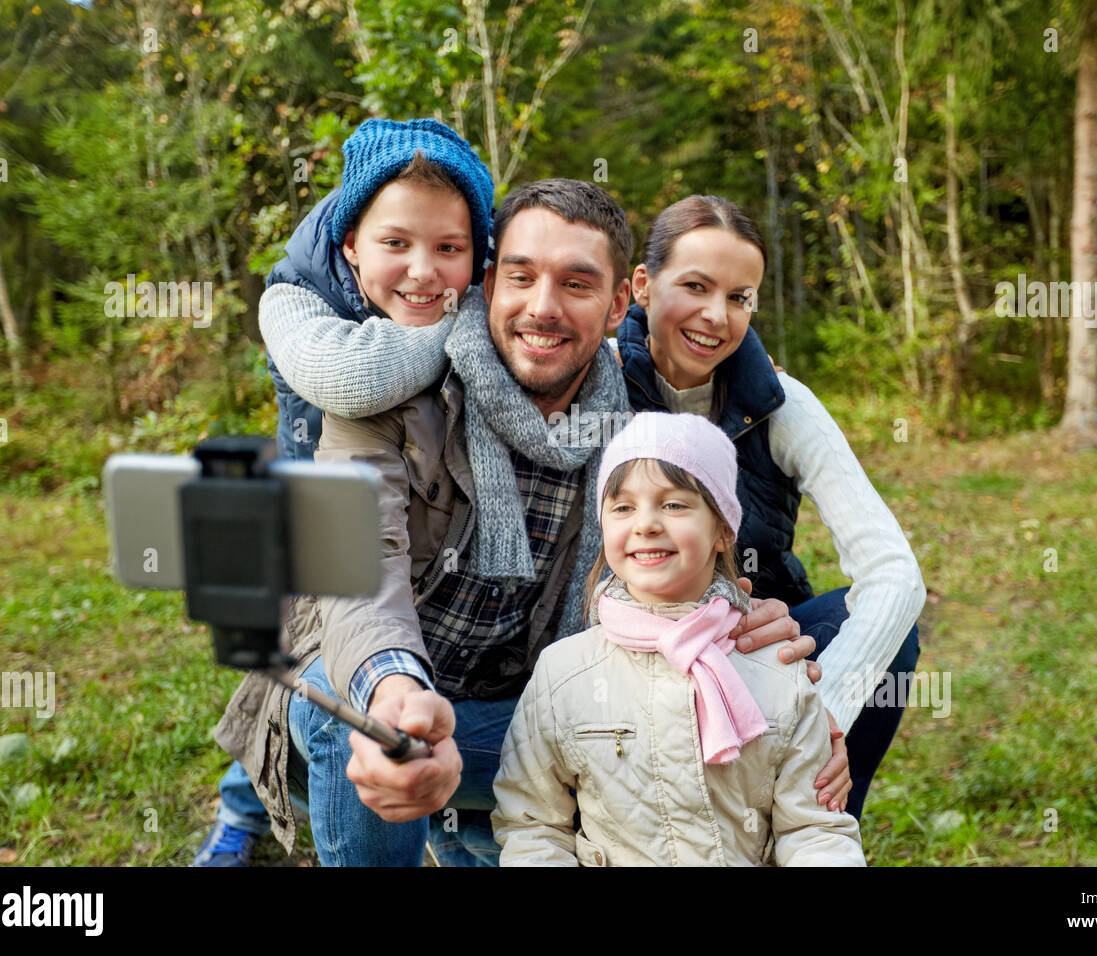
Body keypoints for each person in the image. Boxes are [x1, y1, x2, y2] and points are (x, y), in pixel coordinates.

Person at [209, 179, 817, 866]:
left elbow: (673, 558)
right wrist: (398, 694)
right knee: (337, 703)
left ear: (620, 303)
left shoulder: (633, 435)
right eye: (521, 278)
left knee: (657, 710)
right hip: (381, 708)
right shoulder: (391, 396)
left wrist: (741, 623)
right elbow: (359, 574)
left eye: (578, 285)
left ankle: (481, 829)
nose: (543, 308)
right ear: (490, 284)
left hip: (520, 719)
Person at [193, 116, 495, 866]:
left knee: (398, 663)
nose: (424, 271)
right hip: (312, 526)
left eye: (449, 250)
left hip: (415, 527)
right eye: (396, 244)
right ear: (349, 245)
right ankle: (242, 814)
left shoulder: (479, 295)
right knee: (297, 682)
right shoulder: (291, 300)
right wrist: (466, 320)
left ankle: (447, 826)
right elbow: (354, 380)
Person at [615, 195, 926, 820]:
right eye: (696, 286)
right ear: (643, 286)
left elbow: (895, 573)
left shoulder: (782, 403)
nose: (716, 316)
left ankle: (815, 826)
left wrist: (823, 719)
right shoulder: (594, 384)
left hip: (755, 647)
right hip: (629, 653)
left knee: (886, 635)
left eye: (739, 296)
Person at [492, 412, 866, 865]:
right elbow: (532, 826)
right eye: (623, 507)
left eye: (673, 504)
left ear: (723, 530)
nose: (646, 523)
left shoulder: (778, 669)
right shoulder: (563, 674)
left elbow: (814, 831)